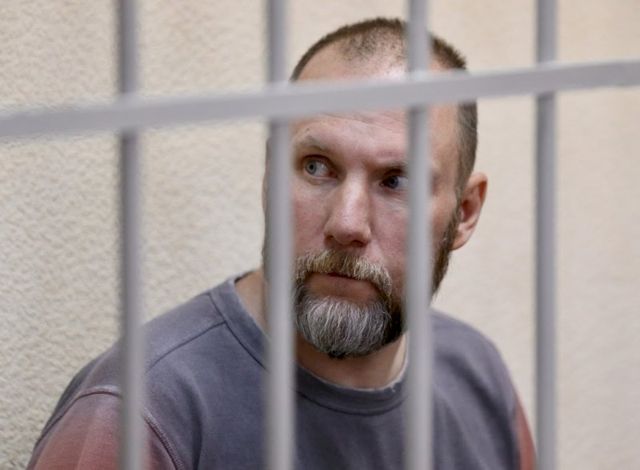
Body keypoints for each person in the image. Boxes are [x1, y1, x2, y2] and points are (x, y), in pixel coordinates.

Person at [28, 17, 534, 469]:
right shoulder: (139, 415)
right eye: (316, 167)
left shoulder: (478, 379)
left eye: (396, 181)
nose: (347, 223)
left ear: (465, 213)